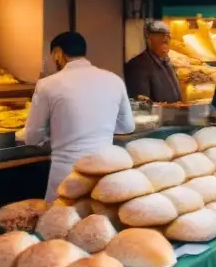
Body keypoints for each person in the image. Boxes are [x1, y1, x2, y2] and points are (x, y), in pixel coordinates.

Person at [24, 32, 135, 200]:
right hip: (102, 171)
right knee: (98, 221)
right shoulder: (114, 80)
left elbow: (32, 136)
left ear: (58, 53)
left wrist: (53, 132)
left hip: (67, 175)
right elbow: (127, 126)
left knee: (59, 222)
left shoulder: (47, 85)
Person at [124, 20, 182, 103]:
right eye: (160, 35)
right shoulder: (138, 66)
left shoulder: (167, 62)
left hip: (172, 114)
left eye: (168, 36)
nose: (165, 39)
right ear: (149, 39)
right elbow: (141, 105)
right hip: (158, 115)